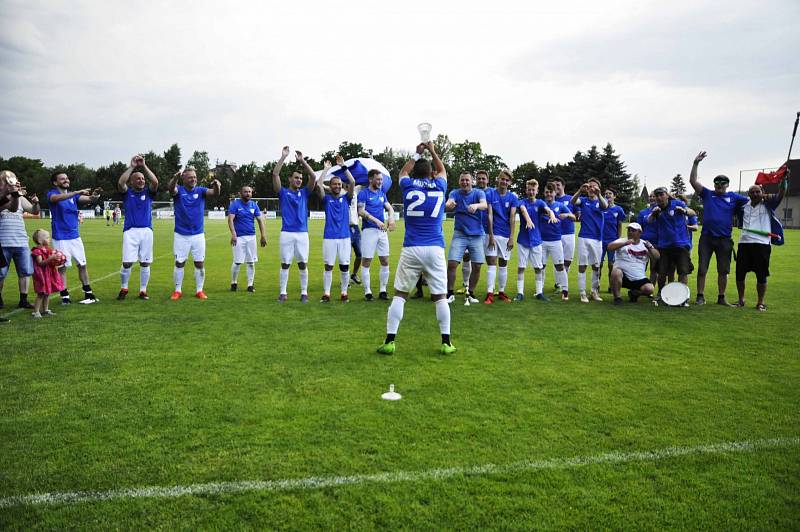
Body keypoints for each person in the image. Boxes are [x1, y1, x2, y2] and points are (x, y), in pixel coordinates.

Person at [377, 142, 455, 356]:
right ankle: (446, 342)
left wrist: (416, 153)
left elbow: (403, 171)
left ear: (416, 173)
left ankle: (390, 341)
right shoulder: (439, 185)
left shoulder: (408, 186)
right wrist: (432, 149)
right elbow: (443, 170)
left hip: (412, 247)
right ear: (431, 174)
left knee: (400, 295)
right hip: (435, 248)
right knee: (440, 297)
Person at [689, 151, 749, 306]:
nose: (719, 186)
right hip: (707, 238)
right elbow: (692, 180)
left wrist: (767, 197)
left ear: (727, 185)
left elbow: (753, 200)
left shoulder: (734, 197)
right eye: (717, 183)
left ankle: (721, 297)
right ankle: (700, 296)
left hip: (724, 239)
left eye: (722, 183)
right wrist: (696, 163)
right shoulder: (708, 194)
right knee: (702, 269)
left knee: (724, 270)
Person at [734, 174, 788, 311]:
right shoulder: (743, 206)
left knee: (761, 275)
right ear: (749, 194)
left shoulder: (769, 204)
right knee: (740, 274)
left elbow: (781, 194)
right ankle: (741, 300)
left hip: (762, 244)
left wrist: (784, 181)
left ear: (762, 193)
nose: (755, 193)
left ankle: (760, 302)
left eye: (757, 191)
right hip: (744, 243)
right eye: (752, 192)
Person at [47, 171, 102, 304]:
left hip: (75, 236)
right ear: (55, 182)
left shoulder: (73, 196)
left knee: (82, 264)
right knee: (62, 267)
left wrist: (95, 195)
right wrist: (76, 192)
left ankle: (88, 293)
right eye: (62, 179)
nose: (66, 180)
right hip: (60, 237)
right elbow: (56, 199)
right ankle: (64, 295)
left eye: (67, 178)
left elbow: (89, 199)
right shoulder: (52, 193)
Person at [168, 166, 221, 300]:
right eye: (191, 177)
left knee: (199, 263)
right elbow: (171, 189)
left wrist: (217, 186)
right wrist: (175, 178)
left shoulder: (201, 190)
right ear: (184, 178)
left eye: (195, 177)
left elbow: (214, 193)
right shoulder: (179, 190)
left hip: (198, 234)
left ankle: (199, 290)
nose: (194, 179)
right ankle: (177, 290)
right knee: (179, 263)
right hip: (181, 234)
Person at [272, 147, 318, 302]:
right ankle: (283, 293)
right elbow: (275, 174)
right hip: (287, 233)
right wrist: (283, 157)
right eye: (296, 177)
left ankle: (304, 293)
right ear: (290, 179)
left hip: (302, 233)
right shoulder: (283, 193)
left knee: (302, 264)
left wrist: (302, 161)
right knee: (285, 264)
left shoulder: (304, 192)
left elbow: (313, 176)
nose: (299, 180)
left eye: (300, 178)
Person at [117, 155, 159, 301]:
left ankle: (143, 290)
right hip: (130, 231)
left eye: (142, 179)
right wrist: (132, 166)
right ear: (132, 181)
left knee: (145, 262)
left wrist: (144, 166)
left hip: (147, 231)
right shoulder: (127, 193)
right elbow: (121, 182)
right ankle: (124, 287)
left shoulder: (148, 193)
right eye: (138, 179)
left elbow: (154, 181)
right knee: (127, 262)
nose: (141, 180)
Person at [317, 155, 355, 302]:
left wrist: (343, 166)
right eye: (334, 184)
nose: (337, 186)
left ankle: (344, 293)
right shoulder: (326, 199)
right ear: (330, 186)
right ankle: (326, 293)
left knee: (344, 267)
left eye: (339, 184)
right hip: (329, 237)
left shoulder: (347, 198)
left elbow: (352, 181)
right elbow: (319, 185)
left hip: (345, 237)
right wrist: (326, 170)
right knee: (328, 266)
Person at [445, 171, 487, 303]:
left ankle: (471, 293)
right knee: (452, 263)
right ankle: (449, 293)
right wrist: (448, 205)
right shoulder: (455, 193)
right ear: (459, 182)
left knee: (477, 265)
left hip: (477, 235)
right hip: (460, 234)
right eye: (462, 180)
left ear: (471, 181)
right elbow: (449, 202)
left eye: (467, 180)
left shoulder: (478, 193)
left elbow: (484, 205)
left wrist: (476, 205)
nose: (465, 182)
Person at [0, 170, 38, 310]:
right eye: (6, 180)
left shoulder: (19, 197)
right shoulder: (2, 197)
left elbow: (34, 211)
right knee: (1, 274)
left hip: (20, 241)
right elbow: (11, 207)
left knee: (25, 272)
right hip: (2, 241)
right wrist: (12, 194)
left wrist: (36, 203)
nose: (9, 182)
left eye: (11, 179)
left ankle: (23, 300)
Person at [516, 179, 557, 301]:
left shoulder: (540, 203)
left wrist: (552, 215)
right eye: (529, 189)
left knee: (538, 268)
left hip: (537, 241)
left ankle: (539, 292)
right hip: (523, 240)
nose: (531, 192)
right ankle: (520, 293)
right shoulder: (522, 202)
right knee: (521, 267)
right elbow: (522, 209)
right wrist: (528, 220)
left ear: (537, 190)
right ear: (526, 190)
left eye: (533, 190)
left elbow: (548, 210)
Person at [357, 169, 396, 301]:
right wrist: (376, 221)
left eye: (381, 179)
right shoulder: (363, 194)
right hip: (369, 231)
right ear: (370, 179)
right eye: (378, 179)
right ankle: (367, 291)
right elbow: (361, 211)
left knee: (385, 260)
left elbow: (389, 208)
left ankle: (383, 290)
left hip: (382, 232)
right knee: (367, 261)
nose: (380, 182)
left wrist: (391, 219)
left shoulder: (382, 193)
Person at [649, 187, 693, 299]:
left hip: (681, 244)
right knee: (662, 272)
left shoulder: (677, 203)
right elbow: (649, 221)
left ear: (667, 195)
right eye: (657, 195)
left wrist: (684, 211)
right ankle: (661, 294)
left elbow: (692, 213)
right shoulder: (656, 208)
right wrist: (653, 214)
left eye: (661, 195)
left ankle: (682, 296)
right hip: (664, 246)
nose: (659, 197)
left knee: (683, 272)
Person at [571, 179, 608, 303]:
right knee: (582, 266)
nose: (591, 188)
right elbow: (573, 201)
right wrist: (580, 191)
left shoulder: (601, 200)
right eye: (590, 186)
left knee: (596, 267)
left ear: (598, 189)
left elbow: (605, 206)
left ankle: (594, 291)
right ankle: (582, 293)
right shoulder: (584, 201)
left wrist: (599, 194)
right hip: (584, 237)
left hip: (597, 239)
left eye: (594, 187)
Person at [607, 223, 660, 305]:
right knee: (616, 272)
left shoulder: (644, 244)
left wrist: (650, 248)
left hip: (638, 277)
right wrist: (625, 243)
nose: (630, 232)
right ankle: (617, 297)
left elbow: (657, 257)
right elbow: (609, 247)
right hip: (623, 275)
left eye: (633, 230)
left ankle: (635, 293)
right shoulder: (622, 241)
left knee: (649, 289)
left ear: (640, 233)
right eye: (629, 230)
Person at [228, 184, 267, 293]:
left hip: (251, 237)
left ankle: (250, 285)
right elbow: (230, 220)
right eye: (245, 192)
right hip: (239, 238)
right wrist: (234, 234)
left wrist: (263, 236)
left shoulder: (254, 205)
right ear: (241, 194)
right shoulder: (235, 205)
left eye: (249, 192)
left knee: (251, 262)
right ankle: (234, 282)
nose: (248, 193)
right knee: (237, 261)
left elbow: (260, 221)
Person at [542, 184, 575, 301]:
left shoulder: (560, 205)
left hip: (556, 241)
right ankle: (539, 291)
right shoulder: (541, 204)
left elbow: (574, 217)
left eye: (551, 192)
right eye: (546, 192)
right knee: (541, 266)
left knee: (560, 266)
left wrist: (566, 214)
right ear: (544, 193)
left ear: (555, 193)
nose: (549, 194)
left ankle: (565, 291)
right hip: (542, 241)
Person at [30, 229, 65, 318]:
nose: (49, 239)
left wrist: (57, 260)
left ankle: (45, 310)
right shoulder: (37, 251)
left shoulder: (48, 250)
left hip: (48, 273)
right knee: (41, 293)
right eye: (47, 237)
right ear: (40, 240)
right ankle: (36, 311)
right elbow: (40, 263)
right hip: (41, 275)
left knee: (47, 293)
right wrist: (51, 258)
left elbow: (51, 261)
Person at [552, 177, 576, 290]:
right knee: (558, 260)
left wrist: (567, 215)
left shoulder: (570, 199)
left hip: (569, 233)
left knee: (567, 261)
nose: (556, 187)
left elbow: (575, 216)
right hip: (556, 234)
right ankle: (559, 284)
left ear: (563, 186)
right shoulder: (551, 200)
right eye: (554, 185)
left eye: (558, 185)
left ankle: (562, 282)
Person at [600, 188, 626, 289]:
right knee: (599, 265)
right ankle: (596, 285)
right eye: (605, 194)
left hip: (612, 241)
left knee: (611, 265)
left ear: (614, 196)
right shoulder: (601, 208)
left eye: (610, 193)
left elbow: (619, 225)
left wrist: (618, 240)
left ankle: (611, 285)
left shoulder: (618, 209)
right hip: (600, 241)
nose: (607, 195)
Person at [637, 193, 660, 285]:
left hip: (656, 243)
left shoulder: (661, 211)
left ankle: (651, 288)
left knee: (654, 268)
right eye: (650, 196)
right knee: (641, 266)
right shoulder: (642, 212)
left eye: (654, 196)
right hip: (643, 243)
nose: (652, 198)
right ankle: (639, 286)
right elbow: (639, 228)